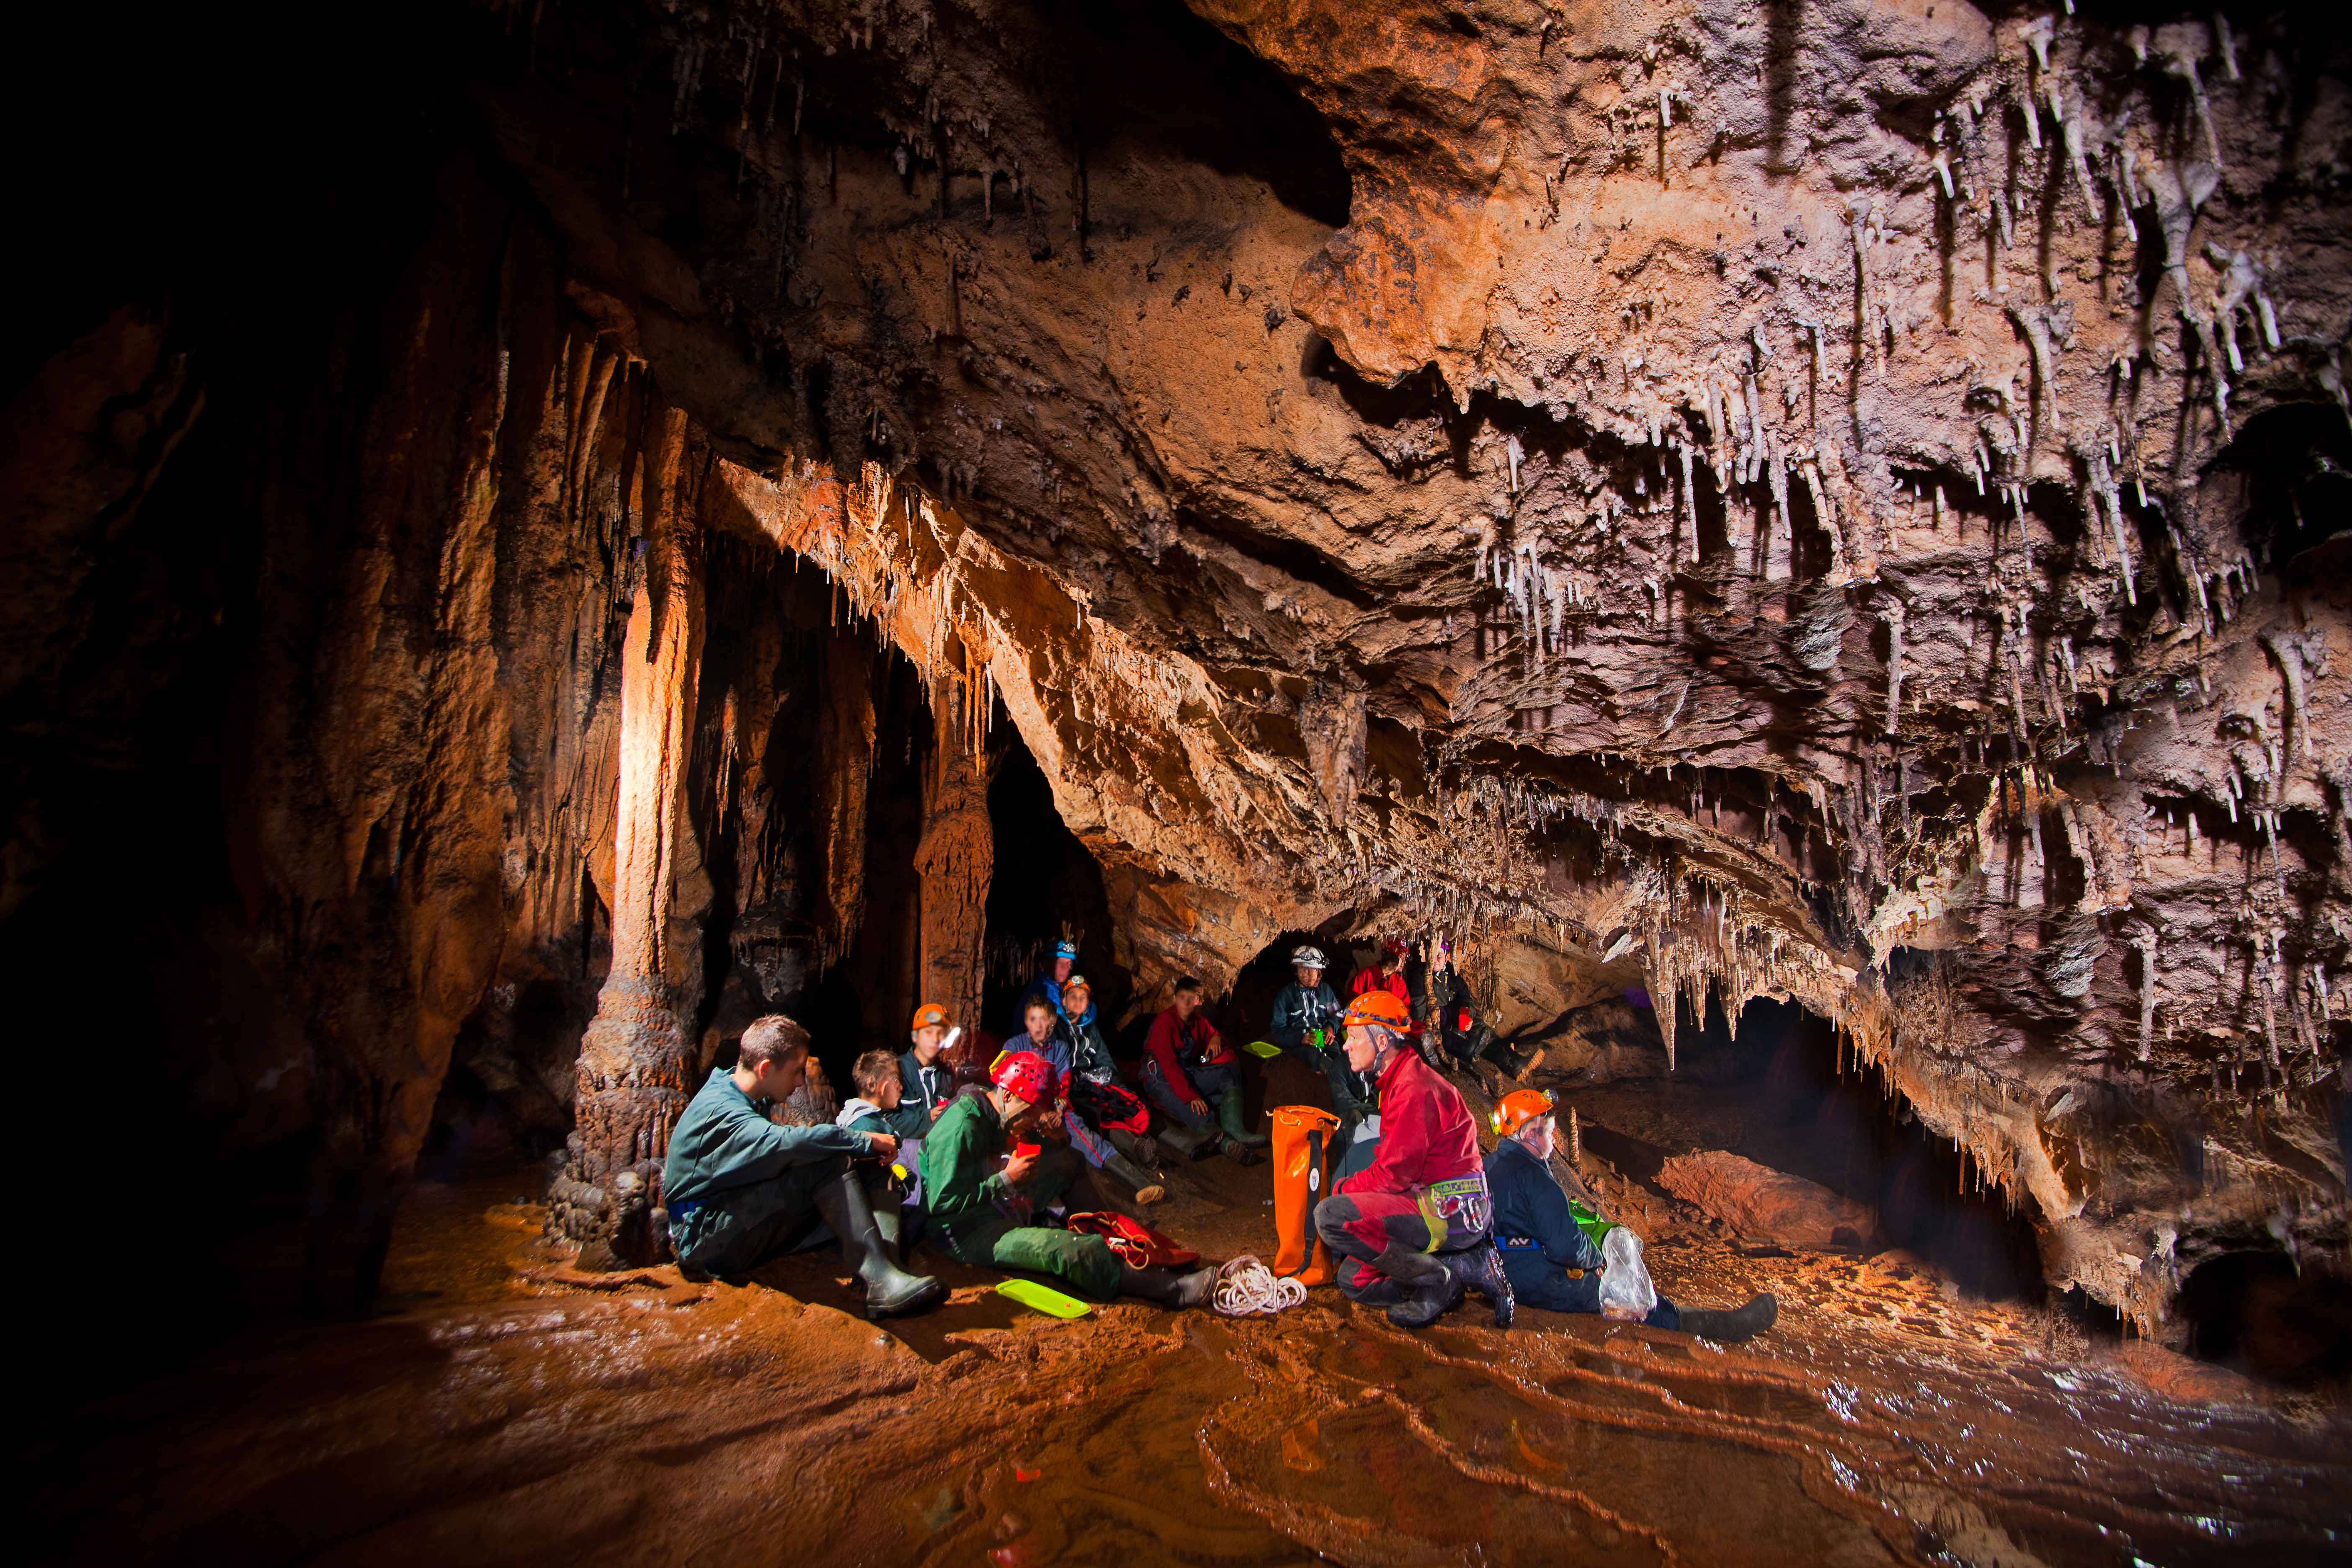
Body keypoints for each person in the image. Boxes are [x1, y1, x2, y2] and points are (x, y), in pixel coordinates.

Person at [661, 1015, 945, 1318]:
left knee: (867, 1165)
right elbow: (791, 1143)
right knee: (827, 1159)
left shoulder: (736, 1089)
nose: (800, 1082)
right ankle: (881, 1281)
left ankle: (887, 1275)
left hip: (732, 1217)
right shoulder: (722, 1111)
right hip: (703, 1239)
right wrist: (862, 1140)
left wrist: (864, 1152)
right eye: (796, 1072)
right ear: (765, 1068)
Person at [922, 1050, 1213, 1308]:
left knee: (1068, 1162)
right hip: (963, 1231)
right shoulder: (961, 1127)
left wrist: (1057, 1139)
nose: (1032, 1124)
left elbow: (1051, 1152)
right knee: (1064, 1249)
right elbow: (941, 1203)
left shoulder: (998, 1111)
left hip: (993, 1203)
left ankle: (1108, 1234)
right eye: (1030, 1115)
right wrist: (1007, 1180)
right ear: (1008, 1095)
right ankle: (1168, 1289)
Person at [1485, 1089, 1777, 1341]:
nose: (1553, 1139)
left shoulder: (1489, 1165)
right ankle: (1727, 1326)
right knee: (1630, 1298)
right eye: (1549, 1132)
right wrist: (1597, 1259)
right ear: (1531, 1133)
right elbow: (1565, 1245)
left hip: (1496, 1272)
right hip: (1533, 1280)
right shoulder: (1535, 1178)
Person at [1311, 991, 1513, 1329]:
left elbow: (1393, 1176)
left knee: (1331, 1216)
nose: (1346, 1046)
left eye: (1355, 1037)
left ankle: (1440, 1280)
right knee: (1353, 1280)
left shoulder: (1414, 1088)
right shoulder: (1399, 1081)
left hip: (1453, 1207)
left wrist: (1345, 1188)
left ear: (1382, 1040)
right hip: (1435, 1200)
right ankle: (1457, 1271)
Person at [1022, 995, 1166, 1204]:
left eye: (1044, 1020)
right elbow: (1004, 1079)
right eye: (1033, 1020)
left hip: (1057, 1108)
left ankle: (1142, 1183)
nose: (1039, 1026)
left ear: (1052, 1024)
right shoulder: (1015, 1045)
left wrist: (1057, 1110)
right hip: (1025, 1109)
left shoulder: (1060, 1048)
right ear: (1026, 1021)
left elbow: (1064, 1081)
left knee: (1089, 1139)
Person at [1269, 945, 1375, 1174]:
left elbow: (1338, 1015)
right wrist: (1301, 1037)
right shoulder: (1286, 996)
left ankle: (1360, 1093)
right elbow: (1277, 1031)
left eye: (1311, 970)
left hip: (1325, 1039)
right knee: (1316, 1056)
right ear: (1296, 970)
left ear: (1320, 972)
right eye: (1302, 970)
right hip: (1302, 1044)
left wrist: (1330, 1028)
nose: (1306, 974)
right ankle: (1336, 1090)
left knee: (1344, 1059)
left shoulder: (1326, 991)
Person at [1142, 975, 1268, 1164]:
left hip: (1185, 1073)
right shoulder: (1165, 1022)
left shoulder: (1197, 1022)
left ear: (1199, 1001)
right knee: (1199, 1111)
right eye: (1182, 997)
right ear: (1175, 998)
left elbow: (1211, 1033)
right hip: (1160, 1078)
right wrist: (1191, 1095)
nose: (1186, 1002)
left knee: (1229, 1072)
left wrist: (1216, 1037)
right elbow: (1169, 1066)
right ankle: (1229, 1146)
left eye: (1192, 998)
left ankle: (1236, 1130)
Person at [838, 1047, 927, 1248]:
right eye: (896, 1079)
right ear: (874, 1085)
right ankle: (892, 1254)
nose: (901, 1087)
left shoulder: (868, 1118)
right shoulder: (865, 1125)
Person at [900, 1002, 959, 1126]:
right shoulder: (899, 1071)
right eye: (929, 1032)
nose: (935, 1039)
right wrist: (928, 1118)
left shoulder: (947, 1075)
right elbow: (887, 1121)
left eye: (941, 1033)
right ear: (915, 1036)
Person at [1022, 938, 1081, 1016]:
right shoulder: (1044, 993)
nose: (1065, 968)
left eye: (1069, 964)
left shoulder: (1058, 989)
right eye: (1060, 962)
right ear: (1046, 964)